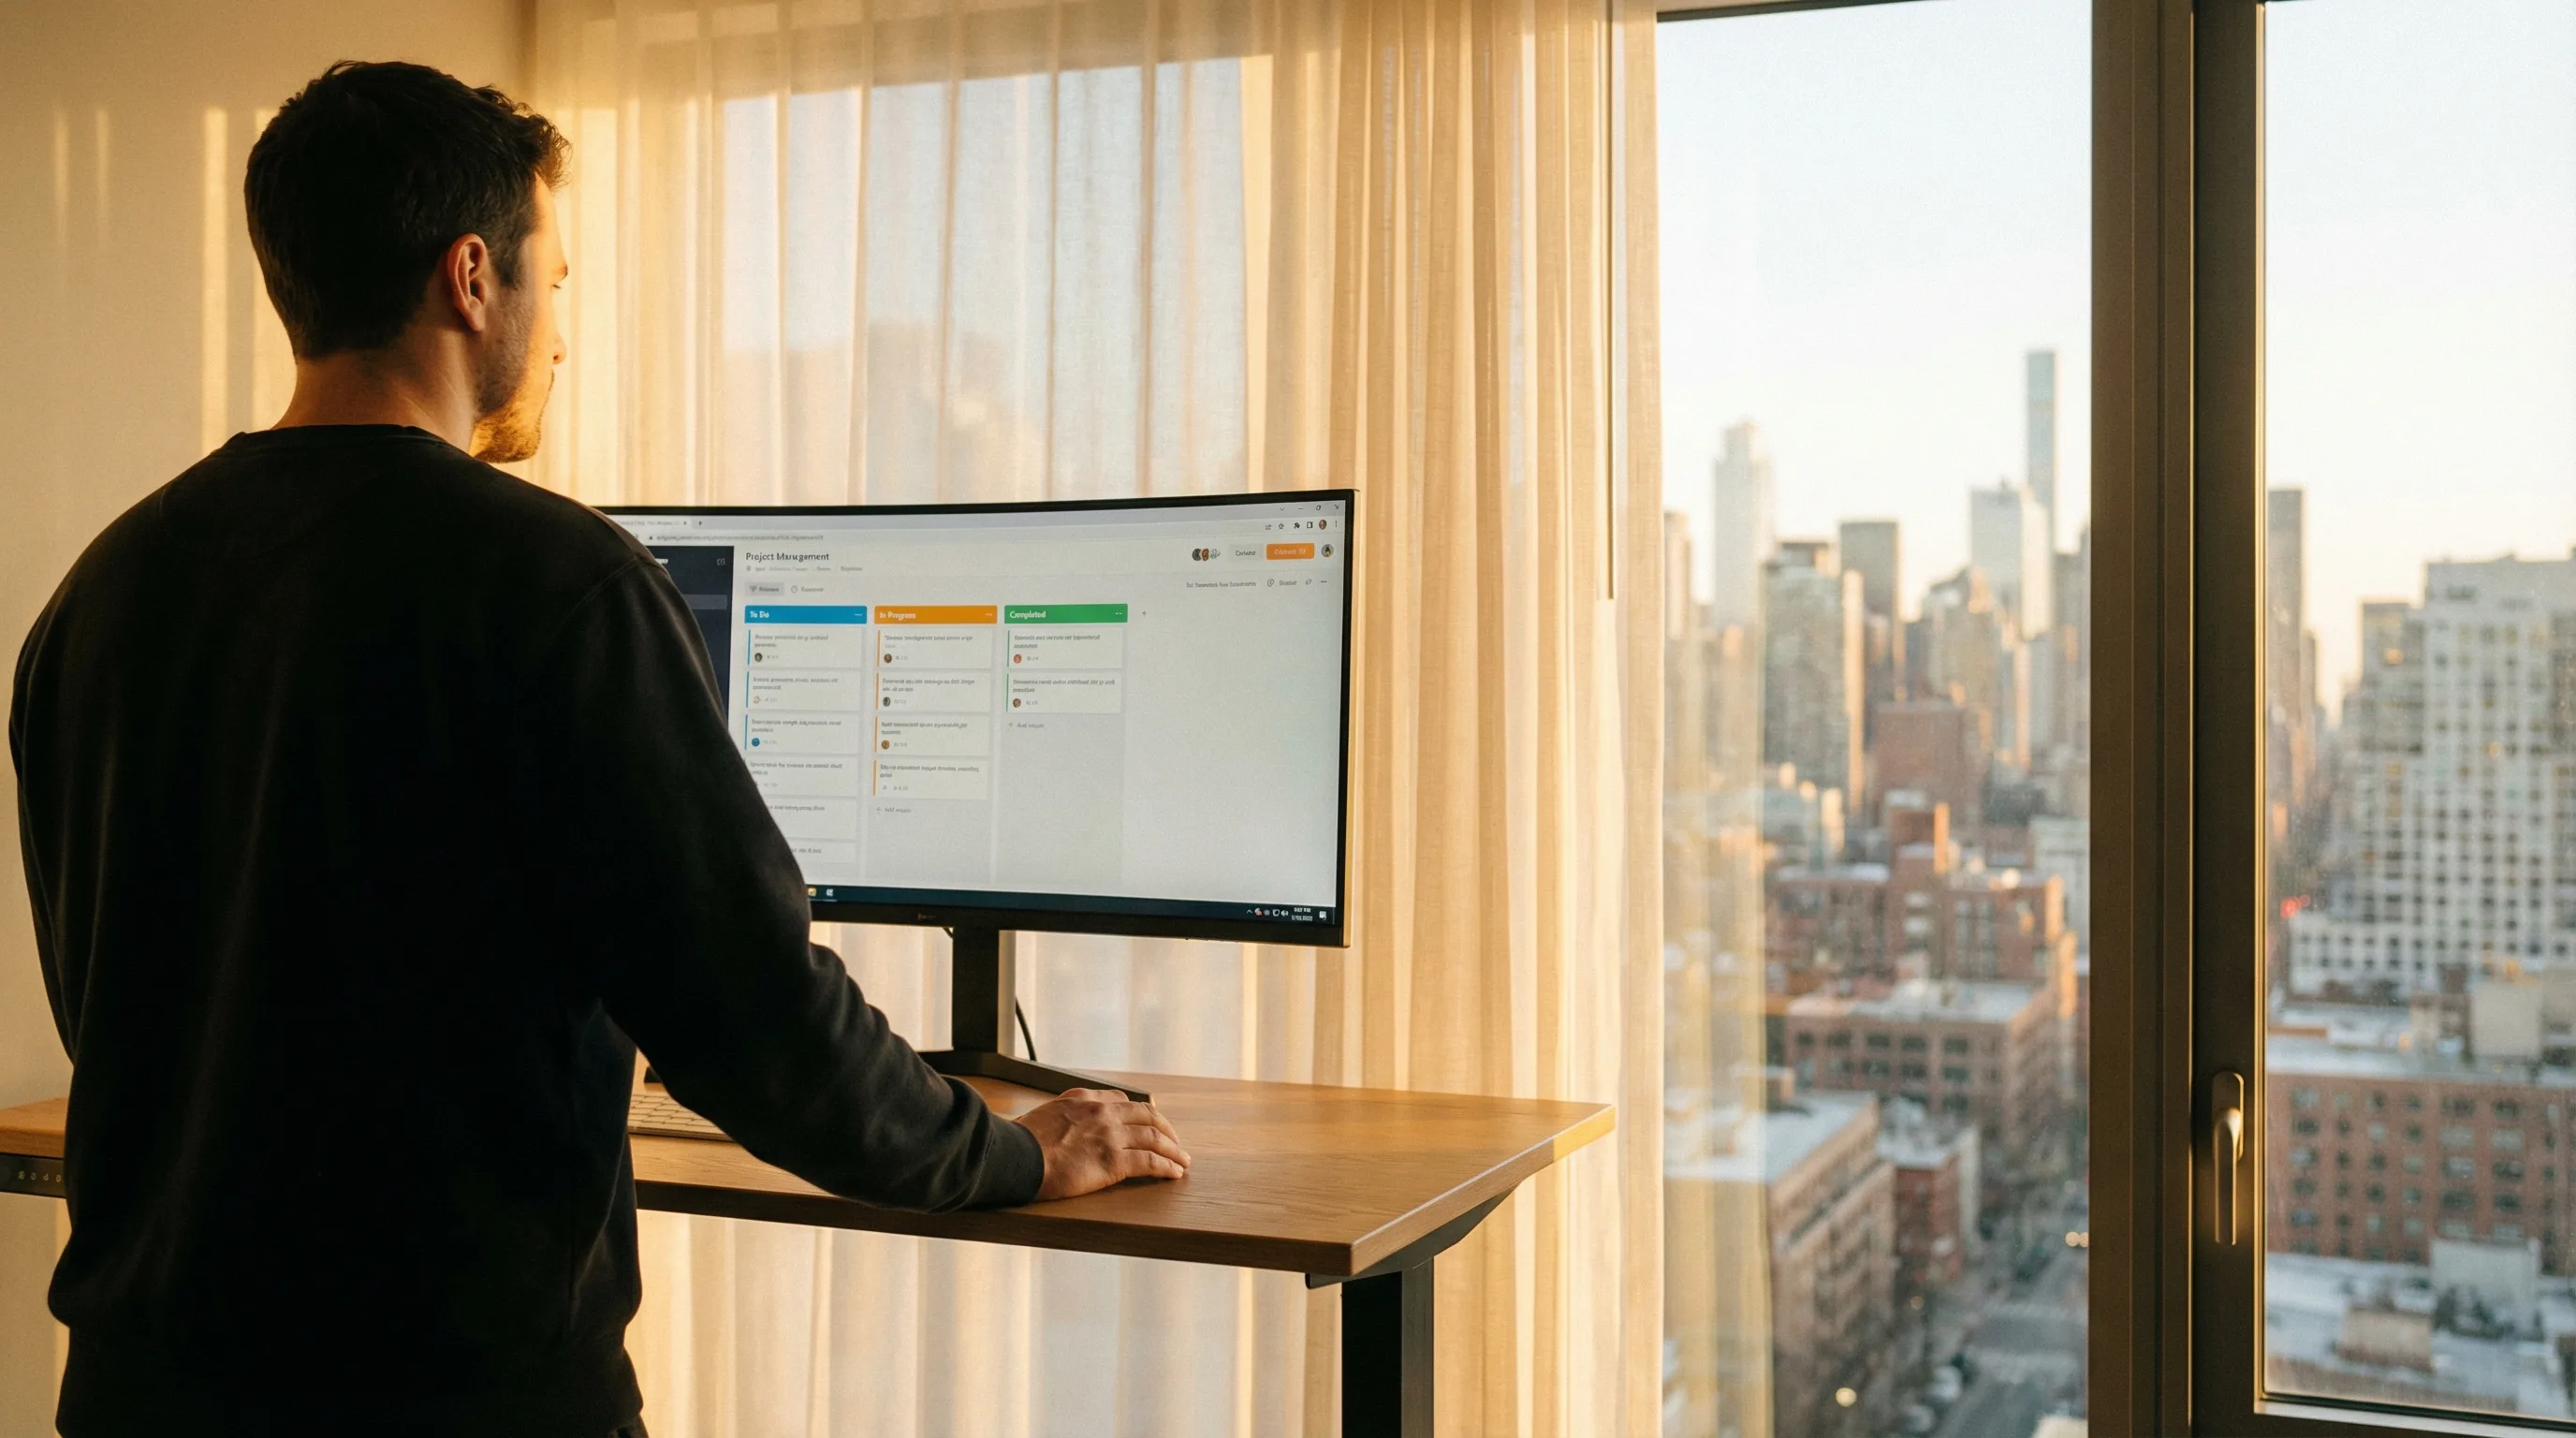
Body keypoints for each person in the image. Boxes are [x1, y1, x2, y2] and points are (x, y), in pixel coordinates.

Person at [8, 61, 1187, 1437]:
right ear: (470, 278)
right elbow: (749, 1016)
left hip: (140, 1394)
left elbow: (124, 998)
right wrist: (1006, 1156)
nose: (560, 333)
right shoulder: (555, 583)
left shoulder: (101, 594)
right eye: (553, 283)